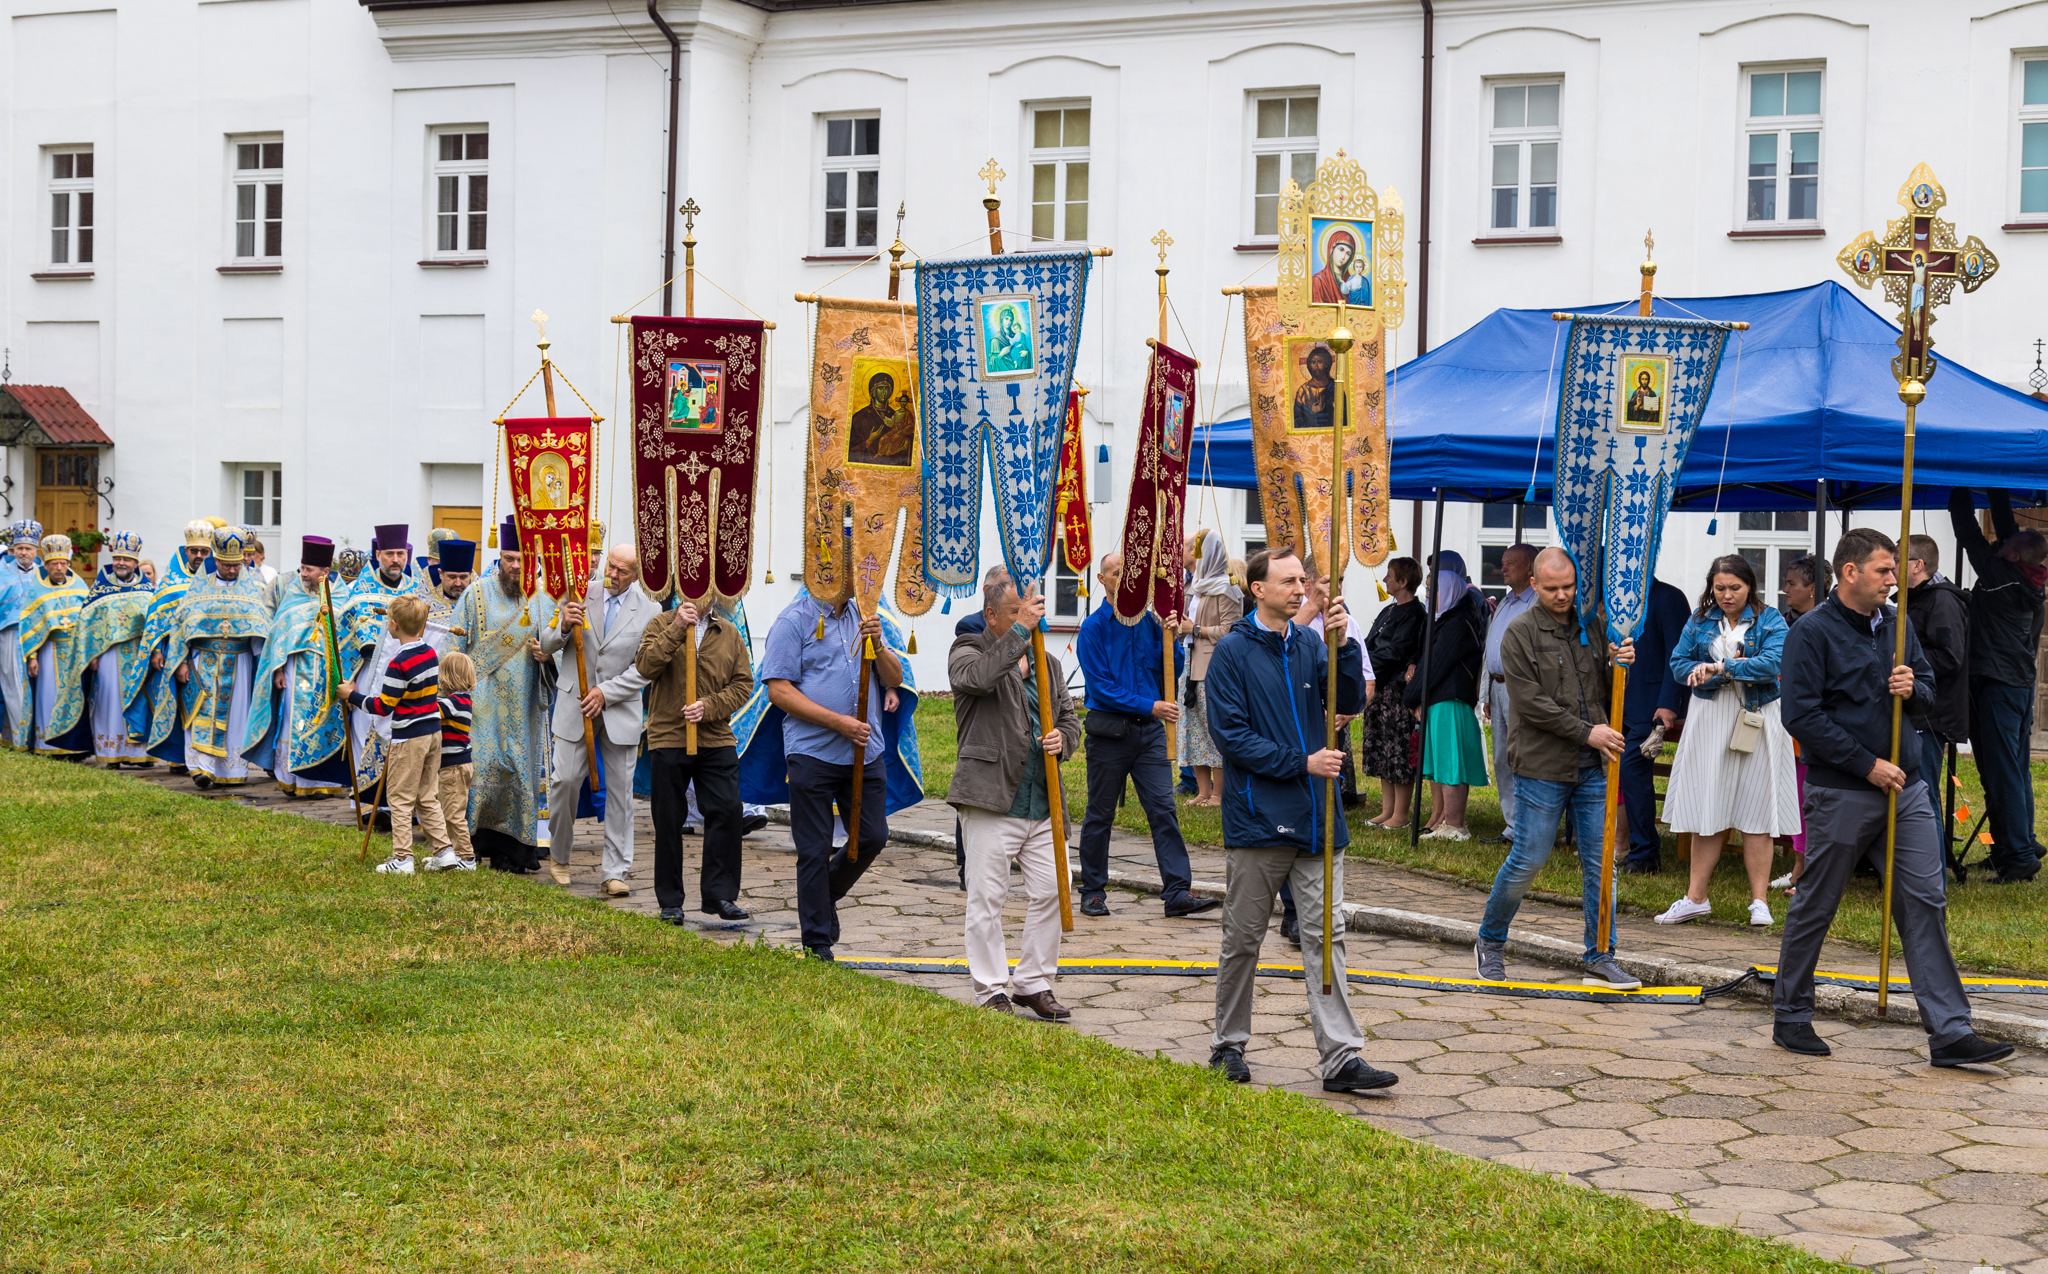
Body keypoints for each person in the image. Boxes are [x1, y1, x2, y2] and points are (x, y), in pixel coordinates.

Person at [1772, 527, 2012, 1067]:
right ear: (1850, 572)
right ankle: (1790, 1014)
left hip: (1908, 787)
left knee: (1925, 901)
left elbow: (1929, 689)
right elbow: (1802, 716)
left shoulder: (1897, 624)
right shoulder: (1811, 633)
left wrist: (1913, 688)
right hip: (1842, 791)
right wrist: (1866, 764)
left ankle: (1950, 1033)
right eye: (1884, 570)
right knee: (1818, 901)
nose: (1894, 578)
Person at [1201, 549, 1392, 1092]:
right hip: (1259, 817)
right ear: (1256, 589)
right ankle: (1228, 1045)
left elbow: (1350, 699)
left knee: (1326, 937)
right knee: (1243, 938)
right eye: (1288, 580)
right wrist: (1300, 762)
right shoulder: (1232, 653)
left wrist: (1346, 644)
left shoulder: (1310, 643)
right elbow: (1231, 737)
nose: (1301, 588)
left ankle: (1340, 1059)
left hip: (1316, 820)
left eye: (1302, 580)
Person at [1473, 548, 1641, 990]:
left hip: (1592, 767)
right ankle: (1490, 940)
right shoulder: (1519, 632)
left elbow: (1605, 689)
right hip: (1542, 765)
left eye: (1568, 586)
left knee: (1601, 863)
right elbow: (1531, 704)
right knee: (1528, 858)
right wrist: (1589, 733)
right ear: (1534, 581)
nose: (1562, 595)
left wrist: (1617, 663)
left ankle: (1601, 954)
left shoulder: (1592, 626)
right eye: (1551, 589)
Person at [948, 578, 1082, 1018]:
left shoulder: (1049, 664)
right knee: (987, 897)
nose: (1030, 619)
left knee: (1051, 891)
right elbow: (979, 680)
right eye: (1017, 612)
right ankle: (990, 989)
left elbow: (1071, 720)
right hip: (990, 797)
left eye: (1034, 612)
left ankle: (1033, 982)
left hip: (1042, 801)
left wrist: (1063, 738)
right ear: (992, 615)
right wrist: (1020, 634)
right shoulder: (968, 649)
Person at [1653, 555, 1799, 927]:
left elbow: (1772, 664)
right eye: (1720, 588)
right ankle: (1695, 897)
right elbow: (1679, 663)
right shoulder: (1700, 620)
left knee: (1756, 810)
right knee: (1708, 807)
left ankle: (1759, 901)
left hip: (1757, 718)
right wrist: (1712, 675)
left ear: (1750, 586)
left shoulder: (1770, 619)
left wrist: (1721, 668)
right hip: (1711, 718)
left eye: (1735, 588)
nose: (1727, 595)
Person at [761, 584, 903, 961]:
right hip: (813, 752)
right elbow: (778, 690)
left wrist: (881, 644)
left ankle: (823, 896)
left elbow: (894, 677)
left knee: (873, 835)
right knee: (815, 847)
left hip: (864, 751)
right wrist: (838, 722)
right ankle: (817, 941)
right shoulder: (794, 620)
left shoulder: (866, 616)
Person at [1074, 552, 1213, 919]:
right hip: (1110, 734)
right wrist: (1149, 706)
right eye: (1116, 573)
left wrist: (1172, 639)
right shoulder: (1094, 628)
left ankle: (1178, 892)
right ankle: (1092, 891)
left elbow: (1171, 669)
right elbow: (1101, 688)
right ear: (1102, 580)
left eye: (1130, 572)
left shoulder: (1150, 623)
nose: (1124, 579)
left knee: (1163, 810)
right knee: (1100, 813)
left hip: (1150, 735)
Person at [540, 543, 656, 894]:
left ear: (636, 575)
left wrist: (607, 693)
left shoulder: (649, 610)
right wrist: (562, 626)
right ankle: (559, 856)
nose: (613, 575)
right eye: (611, 566)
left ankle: (615, 871)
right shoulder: (579, 593)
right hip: (575, 704)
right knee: (564, 782)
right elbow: (545, 645)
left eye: (622, 571)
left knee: (621, 790)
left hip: (619, 708)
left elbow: (646, 668)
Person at [636, 592, 754, 924]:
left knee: (727, 809)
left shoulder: (728, 633)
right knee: (669, 818)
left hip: (716, 737)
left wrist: (710, 707)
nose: (701, 599)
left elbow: (743, 684)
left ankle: (719, 894)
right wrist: (676, 627)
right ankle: (670, 901)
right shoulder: (660, 623)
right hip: (669, 735)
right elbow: (646, 667)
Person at [1949, 487, 2046, 884]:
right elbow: (2005, 530)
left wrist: (1957, 483)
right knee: (2012, 768)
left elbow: (1969, 534)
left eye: (2006, 545)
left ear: (2016, 556)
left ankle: (2019, 856)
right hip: (2016, 685)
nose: (1999, 544)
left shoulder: (2003, 578)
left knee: (2003, 770)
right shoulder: (2026, 577)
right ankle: (2014, 844)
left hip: (1999, 685)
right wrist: (1995, 484)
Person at [453, 519, 552, 873]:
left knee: (519, 771)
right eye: (509, 558)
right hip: (480, 704)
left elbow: (560, 654)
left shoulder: (545, 601)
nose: (515, 566)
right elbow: (455, 647)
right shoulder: (475, 594)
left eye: (522, 560)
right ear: (500, 555)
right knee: (482, 768)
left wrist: (548, 656)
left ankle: (515, 851)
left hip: (525, 704)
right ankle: (471, 845)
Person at [244, 537, 372, 799]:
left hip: (330, 674)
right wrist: (277, 670)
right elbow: (277, 639)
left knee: (329, 724)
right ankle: (294, 780)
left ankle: (322, 781)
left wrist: (349, 677)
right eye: (302, 568)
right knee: (295, 723)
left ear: (325, 572)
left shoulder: (342, 598)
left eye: (308, 570)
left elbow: (350, 640)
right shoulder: (293, 596)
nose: (302, 574)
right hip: (296, 670)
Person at [348, 593, 457, 874]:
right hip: (433, 732)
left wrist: (353, 696)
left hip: (409, 737)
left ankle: (402, 858)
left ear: (393, 625)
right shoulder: (430, 653)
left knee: (399, 797)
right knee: (427, 795)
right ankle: (444, 852)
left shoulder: (399, 663)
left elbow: (383, 706)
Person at [164, 526, 274, 787]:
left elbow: (261, 630)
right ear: (217, 560)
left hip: (240, 662)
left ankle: (230, 771)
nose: (233, 570)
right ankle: (201, 768)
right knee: (199, 712)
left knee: (236, 716)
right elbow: (180, 624)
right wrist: (180, 661)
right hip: (203, 660)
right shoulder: (199, 587)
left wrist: (263, 665)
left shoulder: (252, 589)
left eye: (236, 565)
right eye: (226, 565)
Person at [1405, 551, 1488, 840]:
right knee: (1443, 762)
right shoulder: (1446, 619)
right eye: (1428, 589)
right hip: (1441, 700)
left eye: (1434, 590)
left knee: (1451, 764)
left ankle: (1455, 825)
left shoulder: (1456, 623)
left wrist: (1411, 697)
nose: (1429, 595)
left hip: (1449, 700)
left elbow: (1434, 665)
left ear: (1451, 590)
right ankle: (1447, 822)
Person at [1619, 577, 1692, 874]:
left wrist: (1669, 704)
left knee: (1632, 768)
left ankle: (1645, 852)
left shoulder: (1668, 596)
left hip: (1651, 705)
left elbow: (1680, 653)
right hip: (1619, 703)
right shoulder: (1615, 601)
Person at [1901, 534, 1971, 835]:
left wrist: (1903, 659)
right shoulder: (1914, 599)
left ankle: (1931, 874)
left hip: (1931, 714)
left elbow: (1950, 657)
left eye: (1896, 560)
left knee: (1923, 793)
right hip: (1915, 710)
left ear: (1917, 565)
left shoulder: (1942, 600)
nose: (1890, 568)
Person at [75, 531, 155, 768]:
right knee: (108, 702)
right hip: (108, 657)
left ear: (135, 562)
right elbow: (87, 626)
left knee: (138, 701)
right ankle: (111, 754)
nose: (121, 563)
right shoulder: (100, 589)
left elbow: (155, 624)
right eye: (118, 558)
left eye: (127, 559)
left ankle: (139, 754)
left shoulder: (148, 591)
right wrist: (92, 655)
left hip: (137, 657)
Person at [1360, 556, 1426, 829]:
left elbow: (1396, 651)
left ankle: (1401, 813)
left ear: (1403, 581)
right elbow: (1371, 641)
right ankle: (1387, 810)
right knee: (1382, 750)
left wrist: (1366, 661)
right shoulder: (1389, 610)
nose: (1385, 580)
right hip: (1379, 686)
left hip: (1397, 690)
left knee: (1398, 751)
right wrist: (1358, 657)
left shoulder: (1414, 613)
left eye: (1389, 576)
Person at [1178, 530, 1243, 806]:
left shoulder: (1228, 589)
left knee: (1213, 728)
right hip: (1190, 663)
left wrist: (1194, 628)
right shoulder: (1197, 588)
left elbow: (1231, 630)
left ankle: (1219, 794)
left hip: (1214, 666)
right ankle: (1203, 792)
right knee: (1193, 728)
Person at [1480, 544, 1538, 842]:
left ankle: (1527, 827)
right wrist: (1486, 693)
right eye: (1502, 563)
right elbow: (1490, 649)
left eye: (1510, 563)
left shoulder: (1537, 603)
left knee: (1522, 756)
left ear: (1531, 568)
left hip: (1520, 690)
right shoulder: (1504, 602)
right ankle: (1512, 825)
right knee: (1503, 757)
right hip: (1499, 687)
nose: (1502, 568)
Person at [19, 535, 90, 758]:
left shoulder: (80, 586)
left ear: (68, 564)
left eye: (63, 563)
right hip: (49, 652)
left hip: (75, 653)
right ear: (46, 565)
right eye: (54, 564)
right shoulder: (37, 590)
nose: (59, 568)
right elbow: (28, 625)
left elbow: (89, 621)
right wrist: (32, 657)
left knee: (76, 698)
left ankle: (75, 746)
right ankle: (48, 745)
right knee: (48, 697)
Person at [0, 520, 46, 748]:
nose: (24, 552)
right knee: (14, 685)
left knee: (39, 686)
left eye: (28, 548)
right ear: (13, 549)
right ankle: (20, 739)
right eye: (20, 548)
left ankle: (37, 736)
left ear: (36, 551)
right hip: (10, 634)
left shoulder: (43, 574)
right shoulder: (1, 571)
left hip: (41, 638)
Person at [435, 649, 479, 870]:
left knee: (453, 814)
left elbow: (432, 709)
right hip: (455, 765)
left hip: (453, 767)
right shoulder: (462, 700)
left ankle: (466, 857)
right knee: (447, 811)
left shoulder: (455, 702)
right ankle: (451, 853)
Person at [424, 538, 475, 632]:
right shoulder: (423, 605)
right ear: (440, 574)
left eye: (463, 577)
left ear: (471, 575)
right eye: (452, 577)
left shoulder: (480, 604)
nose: (458, 583)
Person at [1782, 556, 1819, 622]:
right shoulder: (1777, 625)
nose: (1785, 590)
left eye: (1791, 584)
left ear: (1813, 588)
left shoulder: (1831, 625)